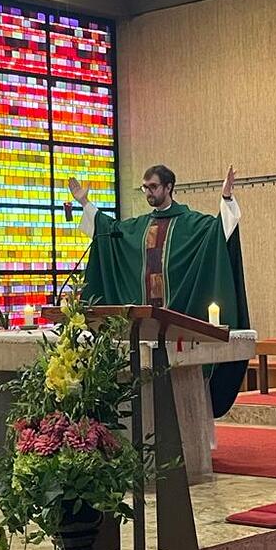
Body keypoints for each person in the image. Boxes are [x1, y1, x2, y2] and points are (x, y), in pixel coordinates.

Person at [67, 164, 249, 417]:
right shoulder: (139, 227)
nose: (148, 192)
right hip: (144, 333)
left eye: (153, 187)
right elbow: (108, 231)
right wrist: (84, 203)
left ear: (169, 187)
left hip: (178, 328)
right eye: (145, 187)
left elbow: (220, 231)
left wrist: (226, 198)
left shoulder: (191, 224)